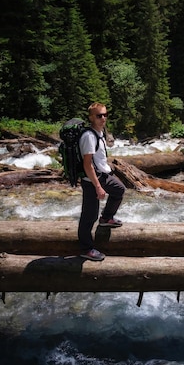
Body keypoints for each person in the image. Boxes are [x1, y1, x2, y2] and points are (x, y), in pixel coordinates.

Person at [77, 102, 126, 261]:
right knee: (89, 216)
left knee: (119, 190)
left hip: (102, 175)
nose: (103, 118)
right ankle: (86, 249)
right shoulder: (89, 136)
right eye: (99, 115)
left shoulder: (99, 133)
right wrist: (98, 187)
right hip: (92, 179)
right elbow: (87, 164)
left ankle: (106, 218)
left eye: (105, 115)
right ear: (91, 117)